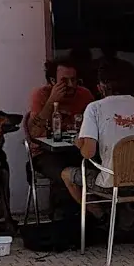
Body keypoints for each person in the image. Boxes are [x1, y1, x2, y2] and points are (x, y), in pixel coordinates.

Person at [63, 64, 134, 208]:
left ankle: (101, 217)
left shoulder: (95, 108)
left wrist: (80, 143)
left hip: (114, 184)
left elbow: (88, 153)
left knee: (67, 174)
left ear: (101, 86)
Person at [27, 60, 95, 199]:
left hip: (77, 149)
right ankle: (96, 213)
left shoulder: (84, 94)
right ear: (53, 81)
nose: (70, 85)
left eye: (73, 80)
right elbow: (34, 133)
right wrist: (51, 101)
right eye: (64, 81)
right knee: (66, 173)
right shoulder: (41, 95)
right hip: (45, 153)